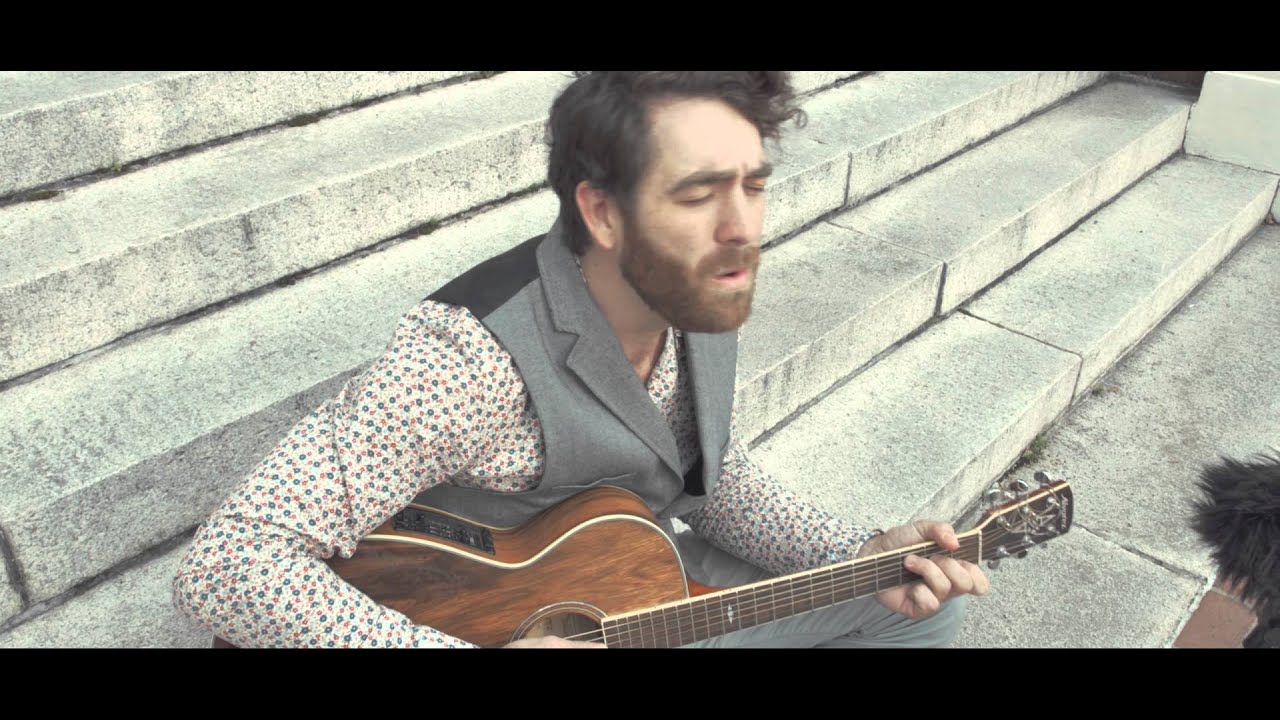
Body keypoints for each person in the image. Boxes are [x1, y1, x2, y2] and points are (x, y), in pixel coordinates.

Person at [172, 71, 989, 649]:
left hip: (628, 584)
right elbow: (226, 564)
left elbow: (709, 475)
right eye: (700, 194)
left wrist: (859, 556)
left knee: (912, 610)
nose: (742, 228)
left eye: (754, 185)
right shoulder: (466, 360)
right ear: (601, 211)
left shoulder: (696, 293)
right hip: (473, 620)